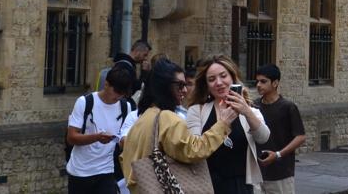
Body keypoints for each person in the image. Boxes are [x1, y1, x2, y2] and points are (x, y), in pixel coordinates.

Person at [117, 58, 232, 190]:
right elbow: (194, 151)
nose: (185, 90)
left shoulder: (143, 119)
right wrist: (223, 124)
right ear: (164, 86)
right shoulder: (167, 118)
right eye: (180, 85)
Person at [186, 55, 269, 194]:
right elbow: (194, 148)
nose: (219, 82)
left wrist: (247, 112)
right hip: (207, 185)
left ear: (232, 77)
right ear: (206, 85)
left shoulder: (251, 111)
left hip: (241, 186)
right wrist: (222, 124)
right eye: (211, 79)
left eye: (223, 76)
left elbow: (263, 137)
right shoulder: (197, 111)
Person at [66, 65, 135, 194]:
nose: (119, 97)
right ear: (106, 85)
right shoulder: (85, 102)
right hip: (80, 171)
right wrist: (97, 137)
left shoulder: (126, 107)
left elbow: (124, 137)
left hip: (106, 171)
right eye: (117, 92)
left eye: (122, 94)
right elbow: (71, 138)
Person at [253, 64, 306, 193]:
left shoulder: (288, 107)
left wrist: (277, 155)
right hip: (256, 173)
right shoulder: (253, 106)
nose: (258, 85)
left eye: (263, 81)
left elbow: (301, 136)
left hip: (281, 173)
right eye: (257, 81)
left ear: (275, 83)